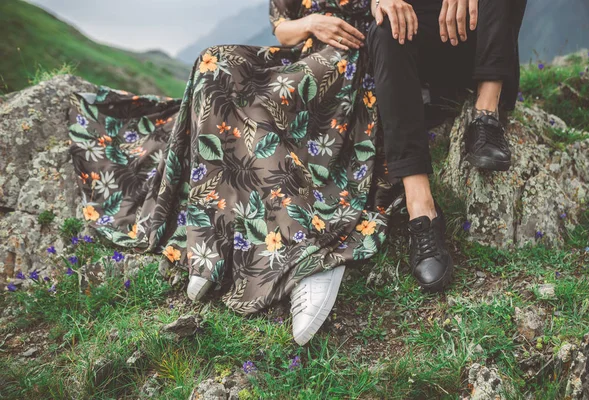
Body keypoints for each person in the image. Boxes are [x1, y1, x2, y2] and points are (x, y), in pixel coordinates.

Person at [68, 0, 400, 346]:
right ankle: (210, 242)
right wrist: (312, 22)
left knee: (257, 110)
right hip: (302, 53)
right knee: (214, 64)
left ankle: (309, 257)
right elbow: (283, 28)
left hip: (353, 61)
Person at [367, 0, 527, 290]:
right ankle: (422, 210)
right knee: (386, 26)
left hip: (483, 41)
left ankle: (486, 116)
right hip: (426, 52)